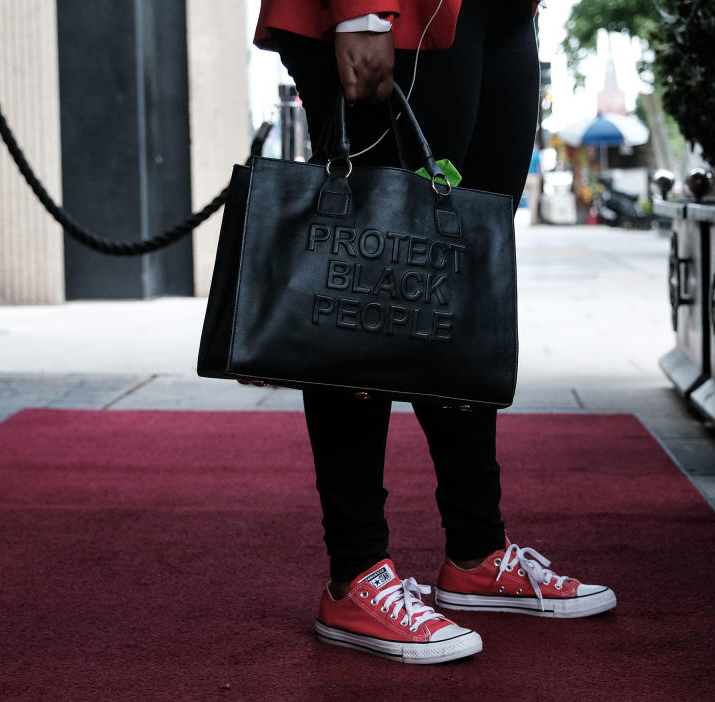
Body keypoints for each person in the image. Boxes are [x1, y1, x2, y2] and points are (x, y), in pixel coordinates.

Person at [249, 0, 616, 664]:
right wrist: (361, 12)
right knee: (365, 271)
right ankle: (354, 572)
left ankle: (477, 550)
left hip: (495, 16)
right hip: (397, 9)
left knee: (463, 264)